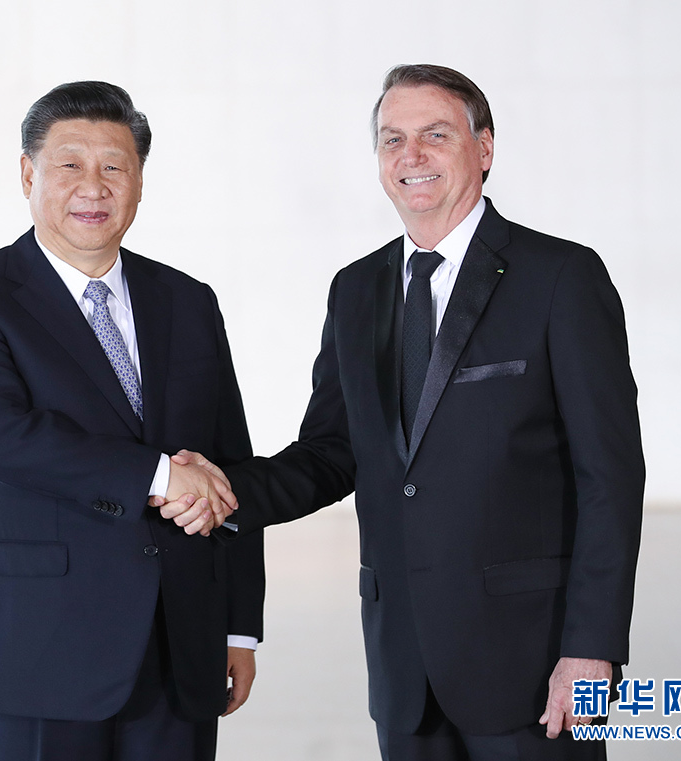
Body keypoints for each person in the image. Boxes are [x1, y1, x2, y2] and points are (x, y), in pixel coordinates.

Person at [161, 65, 644, 760]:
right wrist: (221, 489)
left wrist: (591, 649)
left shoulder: (561, 277)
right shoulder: (356, 290)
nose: (410, 155)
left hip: (534, 663)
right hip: (404, 668)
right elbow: (331, 452)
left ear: (484, 148)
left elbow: (611, 478)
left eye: (434, 135)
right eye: (392, 139)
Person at [0, 80, 264, 761]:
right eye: (70, 164)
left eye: (115, 166)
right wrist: (160, 475)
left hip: (180, 643)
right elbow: (0, 438)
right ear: (29, 174)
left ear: (139, 182)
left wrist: (238, 627)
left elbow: (229, 462)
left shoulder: (188, 300)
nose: (94, 186)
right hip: (41, 645)